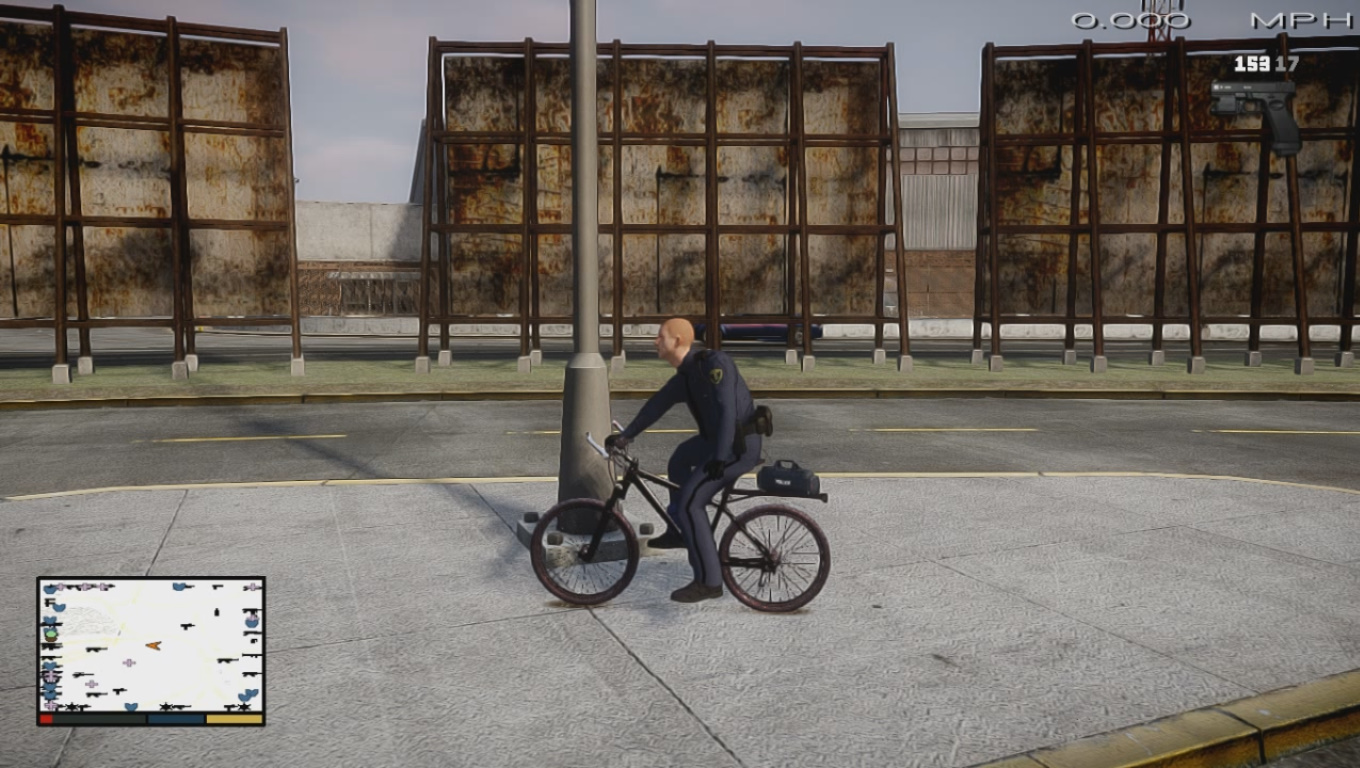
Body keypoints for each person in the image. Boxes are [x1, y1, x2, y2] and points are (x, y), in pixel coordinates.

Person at [605, 318, 763, 603]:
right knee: (679, 460)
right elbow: (656, 405)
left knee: (692, 502)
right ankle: (679, 530)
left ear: (677, 341)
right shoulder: (686, 376)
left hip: (737, 447)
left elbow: (728, 410)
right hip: (714, 443)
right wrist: (625, 437)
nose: (655, 341)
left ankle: (710, 582)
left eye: (660, 336)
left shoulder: (714, 364)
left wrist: (719, 458)